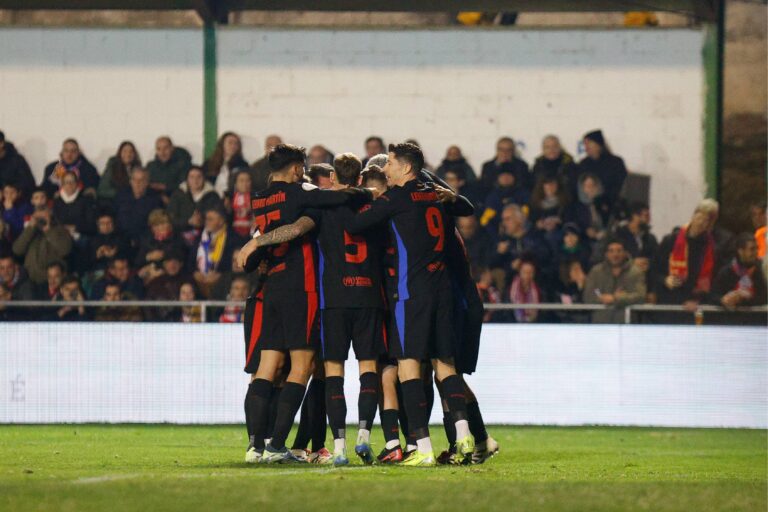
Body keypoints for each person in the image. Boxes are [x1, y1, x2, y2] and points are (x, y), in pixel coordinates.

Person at [247, 152, 385, 466]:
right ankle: (279, 445)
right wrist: (370, 193)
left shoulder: (260, 199)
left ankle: (256, 446)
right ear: (296, 168)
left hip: (273, 289)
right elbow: (302, 225)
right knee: (306, 366)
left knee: (266, 368)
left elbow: (269, 241)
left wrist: (255, 244)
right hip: (306, 288)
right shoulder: (304, 195)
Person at [343, 143, 475, 466]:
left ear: (405, 168)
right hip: (442, 291)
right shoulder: (435, 192)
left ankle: (424, 449)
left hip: (411, 294)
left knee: (407, 367)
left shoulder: (397, 197)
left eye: (389, 163)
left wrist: (362, 197)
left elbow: (355, 225)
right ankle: (464, 436)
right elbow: (467, 208)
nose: (386, 168)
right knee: (445, 366)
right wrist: (453, 197)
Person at [652, 199, 720, 317]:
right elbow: (654, 270)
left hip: (697, 303)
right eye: (699, 218)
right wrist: (664, 280)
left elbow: (712, 278)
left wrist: (697, 300)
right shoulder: (671, 240)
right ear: (693, 216)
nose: (701, 223)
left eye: (706, 221)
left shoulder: (710, 247)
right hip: (669, 302)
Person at [584, 238, 646, 324]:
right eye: (611, 251)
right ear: (606, 254)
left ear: (625, 253)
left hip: (627, 325)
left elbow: (641, 296)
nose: (615, 254)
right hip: (600, 325)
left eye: (619, 251)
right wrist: (602, 299)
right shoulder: (596, 272)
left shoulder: (635, 272)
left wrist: (616, 299)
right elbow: (587, 297)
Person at [11, 207, 72, 285]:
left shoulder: (60, 230)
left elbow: (65, 250)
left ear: (51, 216)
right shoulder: (30, 231)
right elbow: (17, 250)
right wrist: (30, 228)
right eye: (38, 216)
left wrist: (49, 231)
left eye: (44, 216)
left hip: (51, 281)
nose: (41, 219)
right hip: (30, 281)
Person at [190, 206, 241, 299]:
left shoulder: (233, 238)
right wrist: (195, 273)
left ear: (221, 221)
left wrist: (220, 275)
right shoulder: (199, 237)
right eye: (206, 219)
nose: (206, 222)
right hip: (199, 283)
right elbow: (190, 260)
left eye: (210, 219)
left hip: (223, 284)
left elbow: (235, 263)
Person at [710, 233, 767, 311]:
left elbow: (764, 297)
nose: (756, 252)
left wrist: (748, 297)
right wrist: (724, 299)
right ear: (741, 251)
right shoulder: (727, 272)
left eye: (757, 248)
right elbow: (713, 295)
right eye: (752, 249)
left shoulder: (761, 270)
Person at [577, 130, 627, 212]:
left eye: (589, 143)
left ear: (599, 144)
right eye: (585, 144)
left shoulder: (615, 162)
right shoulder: (583, 164)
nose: (586, 147)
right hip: (587, 206)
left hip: (610, 204)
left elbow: (620, 185)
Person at [166, 166, 222, 239]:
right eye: (192, 177)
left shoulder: (213, 196)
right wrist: (188, 221)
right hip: (179, 236)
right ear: (187, 179)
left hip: (206, 236)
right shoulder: (178, 195)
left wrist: (201, 221)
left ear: (204, 178)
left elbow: (218, 218)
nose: (195, 180)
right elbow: (170, 217)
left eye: (199, 177)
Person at [115, 168, 163, 245]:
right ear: (130, 181)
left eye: (141, 180)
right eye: (134, 180)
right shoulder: (121, 196)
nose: (137, 183)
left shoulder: (155, 200)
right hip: (121, 240)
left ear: (147, 182)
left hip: (145, 242)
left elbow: (155, 224)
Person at [479, 167, 530, 235]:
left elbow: (525, 215)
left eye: (508, 175)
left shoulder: (523, 193)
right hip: (498, 232)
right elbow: (485, 220)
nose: (505, 178)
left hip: (521, 231)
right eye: (502, 176)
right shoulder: (493, 196)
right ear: (498, 178)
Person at [52, 171, 97, 241]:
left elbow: (92, 225)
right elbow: (54, 222)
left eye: (72, 182)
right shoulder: (57, 201)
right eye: (67, 182)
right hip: (61, 236)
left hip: (81, 236)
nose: (69, 185)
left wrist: (75, 228)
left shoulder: (86, 200)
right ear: (62, 185)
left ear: (77, 184)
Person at [203, 132, 249, 197]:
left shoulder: (243, 165)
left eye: (236, 144)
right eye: (230, 143)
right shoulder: (209, 163)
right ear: (222, 145)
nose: (233, 146)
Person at [0, 130, 35, 200]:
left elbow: (28, 182)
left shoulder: (17, 160)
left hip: (17, 199)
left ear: (1, 144)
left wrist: (12, 189)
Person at [228, 171, 254, 239]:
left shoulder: (256, 197)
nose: (245, 184)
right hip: (233, 235)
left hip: (251, 235)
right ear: (236, 183)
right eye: (241, 180)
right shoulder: (229, 198)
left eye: (248, 180)